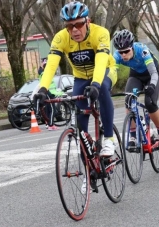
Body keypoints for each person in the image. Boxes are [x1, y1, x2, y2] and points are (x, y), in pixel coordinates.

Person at [34, 1, 117, 156]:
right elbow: (51, 65)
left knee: (103, 89)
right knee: (80, 121)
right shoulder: (60, 38)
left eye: (78, 24)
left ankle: (109, 139)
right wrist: (43, 89)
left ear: (88, 21)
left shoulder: (101, 33)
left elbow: (100, 62)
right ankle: (88, 167)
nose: (75, 30)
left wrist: (96, 84)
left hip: (105, 71)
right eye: (69, 26)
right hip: (80, 77)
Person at [112, 29, 159, 152]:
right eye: (120, 52)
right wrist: (107, 85)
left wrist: (152, 85)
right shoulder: (116, 56)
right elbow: (111, 72)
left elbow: (153, 72)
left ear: (132, 47)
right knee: (128, 100)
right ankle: (132, 135)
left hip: (152, 74)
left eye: (126, 51)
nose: (123, 55)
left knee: (149, 102)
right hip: (136, 75)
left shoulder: (142, 51)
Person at [38, 60, 60, 131]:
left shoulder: (43, 73)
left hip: (48, 93)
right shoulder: (45, 74)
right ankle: (51, 125)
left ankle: (49, 124)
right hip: (48, 93)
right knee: (52, 109)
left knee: (48, 109)